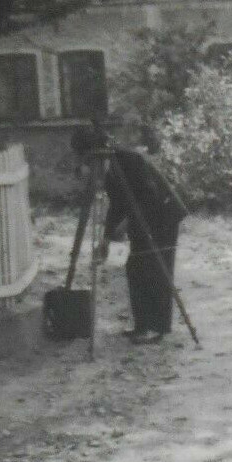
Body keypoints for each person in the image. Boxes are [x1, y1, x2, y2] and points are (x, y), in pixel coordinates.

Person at [71, 128, 189, 344]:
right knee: (135, 267)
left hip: (163, 214)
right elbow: (117, 205)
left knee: (155, 269)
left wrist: (126, 224)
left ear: (96, 154)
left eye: (88, 160)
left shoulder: (129, 160)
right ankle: (142, 325)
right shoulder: (109, 169)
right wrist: (107, 239)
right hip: (143, 216)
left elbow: (149, 196)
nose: (88, 166)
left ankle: (157, 328)